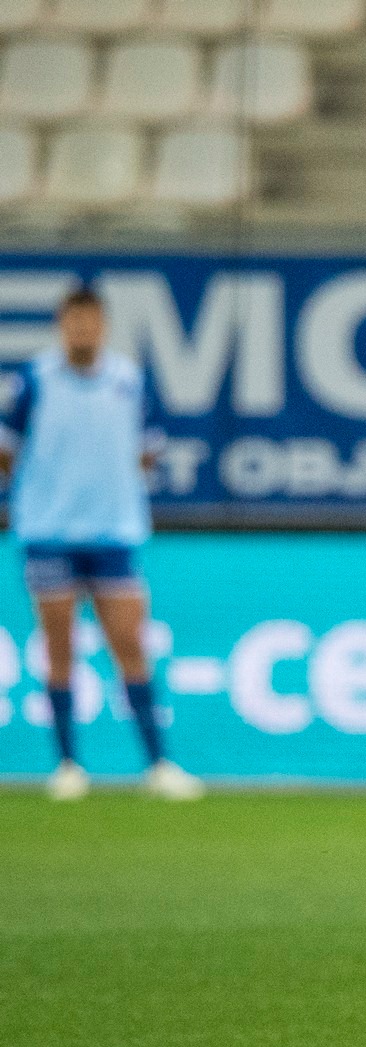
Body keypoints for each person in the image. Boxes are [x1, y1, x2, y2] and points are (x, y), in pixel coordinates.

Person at [0, 286, 202, 803]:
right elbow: (7, 452)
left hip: (113, 533)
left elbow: (148, 450)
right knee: (60, 650)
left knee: (131, 647)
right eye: (75, 321)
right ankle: (68, 765)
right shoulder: (35, 382)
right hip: (49, 534)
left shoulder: (128, 381)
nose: (83, 330)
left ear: (104, 326)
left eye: (91, 321)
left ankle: (158, 763)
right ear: (61, 325)